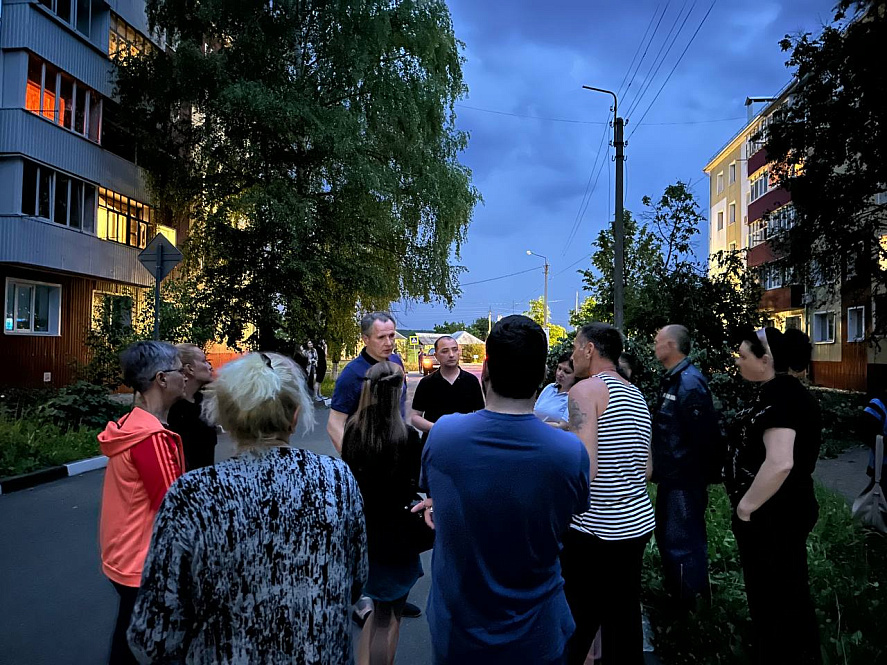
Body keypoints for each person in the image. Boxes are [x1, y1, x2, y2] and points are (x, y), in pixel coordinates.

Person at [128, 352, 368, 664]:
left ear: (226, 419)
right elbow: (356, 579)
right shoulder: (335, 478)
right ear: (295, 415)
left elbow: (153, 632)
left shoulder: (192, 494)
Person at [414, 315, 590, 664]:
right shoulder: (569, 451)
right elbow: (574, 509)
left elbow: (436, 491)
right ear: (542, 374)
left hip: (459, 632)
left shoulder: (445, 435)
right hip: (538, 634)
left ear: (485, 369)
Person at [726, 327, 822, 665]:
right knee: (781, 595)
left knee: (777, 599)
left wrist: (745, 509)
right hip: (775, 513)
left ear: (766, 359)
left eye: (743, 356)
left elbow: (780, 462)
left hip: (774, 516)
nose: (738, 361)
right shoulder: (777, 393)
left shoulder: (783, 398)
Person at [563, 322, 655, 665]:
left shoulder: (584, 391)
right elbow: (646, 469)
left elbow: (584, 469)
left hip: (594, 529)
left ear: (589, 349)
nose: (572, 355)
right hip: (636, 525)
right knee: (623, 621)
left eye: (575, 346)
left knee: (575, 624)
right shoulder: (636, 394)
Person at [98, 341, 187, 665]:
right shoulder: (151, 439)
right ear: (161, 379)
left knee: (130, 641)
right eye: (180, 370)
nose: (185, 376)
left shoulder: (130, 424)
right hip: (143, 562)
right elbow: (176, 508)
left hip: (122, 555)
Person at [327, 312, 419, 621]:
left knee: (392, 531)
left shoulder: (396, 363)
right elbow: (334, 423)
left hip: (394, 464)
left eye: (392, 335)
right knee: (367, 533)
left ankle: (392, 595)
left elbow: (400, 411)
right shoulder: (352, 375)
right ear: (365, 339)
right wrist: (357, 465)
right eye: (382, 337)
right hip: (366, 471)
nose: (389, 342)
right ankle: (363, 600)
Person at [342, 361, 426, 665]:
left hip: (363, 534)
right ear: (399, 390)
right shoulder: (407, 436)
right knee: (389, 620)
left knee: (376, 615)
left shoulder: (354, 430)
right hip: (398, 538)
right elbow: (415, 483)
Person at [651, 325, 721, 610]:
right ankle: (678, 597)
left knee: (682, 542)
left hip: (684, 481)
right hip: (672, 478)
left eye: (657, 341)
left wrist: (696, 478)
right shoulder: (673, 380)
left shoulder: (689, 384)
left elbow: (704, 438)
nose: (654, 346)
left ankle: (688, 608)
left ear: (671, 345)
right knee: (670, 538)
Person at [410, 335, 485, 441]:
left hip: (465, 440)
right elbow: (415, 417)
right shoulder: (427, 383)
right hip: (435, 441)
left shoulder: (471, 381)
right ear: (436, 356)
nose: (451, 355)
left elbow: (480, 414)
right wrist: (437, 428)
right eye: (445, 351)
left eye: (455, 350)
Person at [167, 343, 218, 471]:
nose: (210, 366)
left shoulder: (203, 402)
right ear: (190, 369)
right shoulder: (173, 410)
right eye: (204, 361)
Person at [534, 352, 577, 428]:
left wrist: (536, 425)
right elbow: (534, 411)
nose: (560, 374)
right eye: (559, 368)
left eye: (566, 372)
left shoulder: (574, 396)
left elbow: (563, 425)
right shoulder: (550, 388)